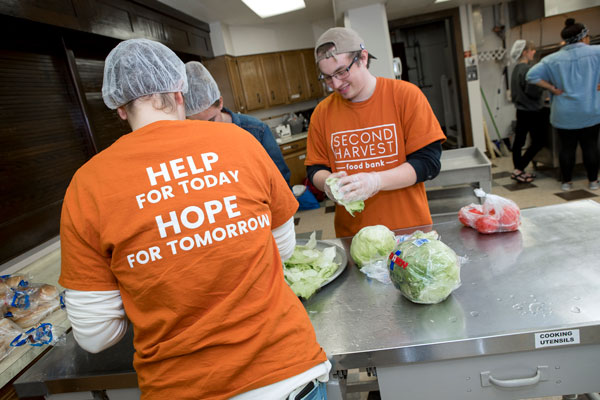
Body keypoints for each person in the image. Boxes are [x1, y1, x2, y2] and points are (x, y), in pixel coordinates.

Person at [59, 38, 330, 400]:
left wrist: (150, 276)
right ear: (180, 92)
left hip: (184, 388)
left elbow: (94, 336)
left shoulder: (87, 184)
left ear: (120, 108)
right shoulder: (239, 143)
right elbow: (281, 250)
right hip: (289, 373)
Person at [305, 27, 445, 237]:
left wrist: (375, 181)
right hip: (354, 235)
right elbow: (315, 168)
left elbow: (429, 163)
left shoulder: (405, 96)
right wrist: (328, 183)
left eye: (342, 72)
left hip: (409, 231)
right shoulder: (322, 113)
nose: (335, 84)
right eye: (327, 77)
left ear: (362, 57)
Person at [184, 61, 291, 185]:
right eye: (198, 125)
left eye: (211, 121)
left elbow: (281, 178)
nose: (207, 129)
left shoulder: (256, 130)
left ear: (220, 102)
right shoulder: (191, 142)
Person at [526, 18, 600, 191]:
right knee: (590, 146)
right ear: (584, 37)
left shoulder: (552, 59)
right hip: (591, 110)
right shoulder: (596, 52)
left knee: (567, 148)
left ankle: (566, 182)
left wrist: (551, 87)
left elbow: (531, 75)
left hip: (564, 113)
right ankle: (593, 181)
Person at [509, 39, 546, 184]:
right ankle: (519, 169)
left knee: (519, 141)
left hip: (521, 111)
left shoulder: (516, 69)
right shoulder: (527, 70)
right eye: (532, 50)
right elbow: (533, 92)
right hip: (532, 111)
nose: (534, 52)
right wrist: (545, 86)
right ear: (524, 52)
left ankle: (519, 169)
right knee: (539, 141)